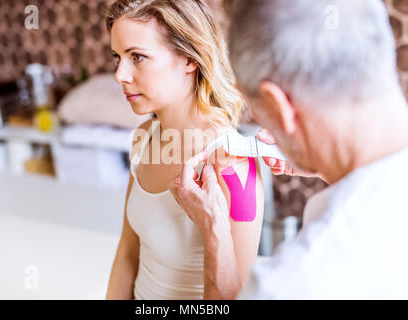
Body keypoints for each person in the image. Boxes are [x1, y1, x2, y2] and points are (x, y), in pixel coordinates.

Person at [169, 0, 408, 299]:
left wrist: (215, 229)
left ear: (277, 105)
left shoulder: (298, 279)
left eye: (258, 113)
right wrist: (326, 166)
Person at [105, 0, 264, 300]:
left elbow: (235, 298)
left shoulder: (233, 164)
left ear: (189, 58)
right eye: (118, 57)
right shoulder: (144, 139)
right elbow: (127, 253)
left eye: (137, 57)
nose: (120, 75)